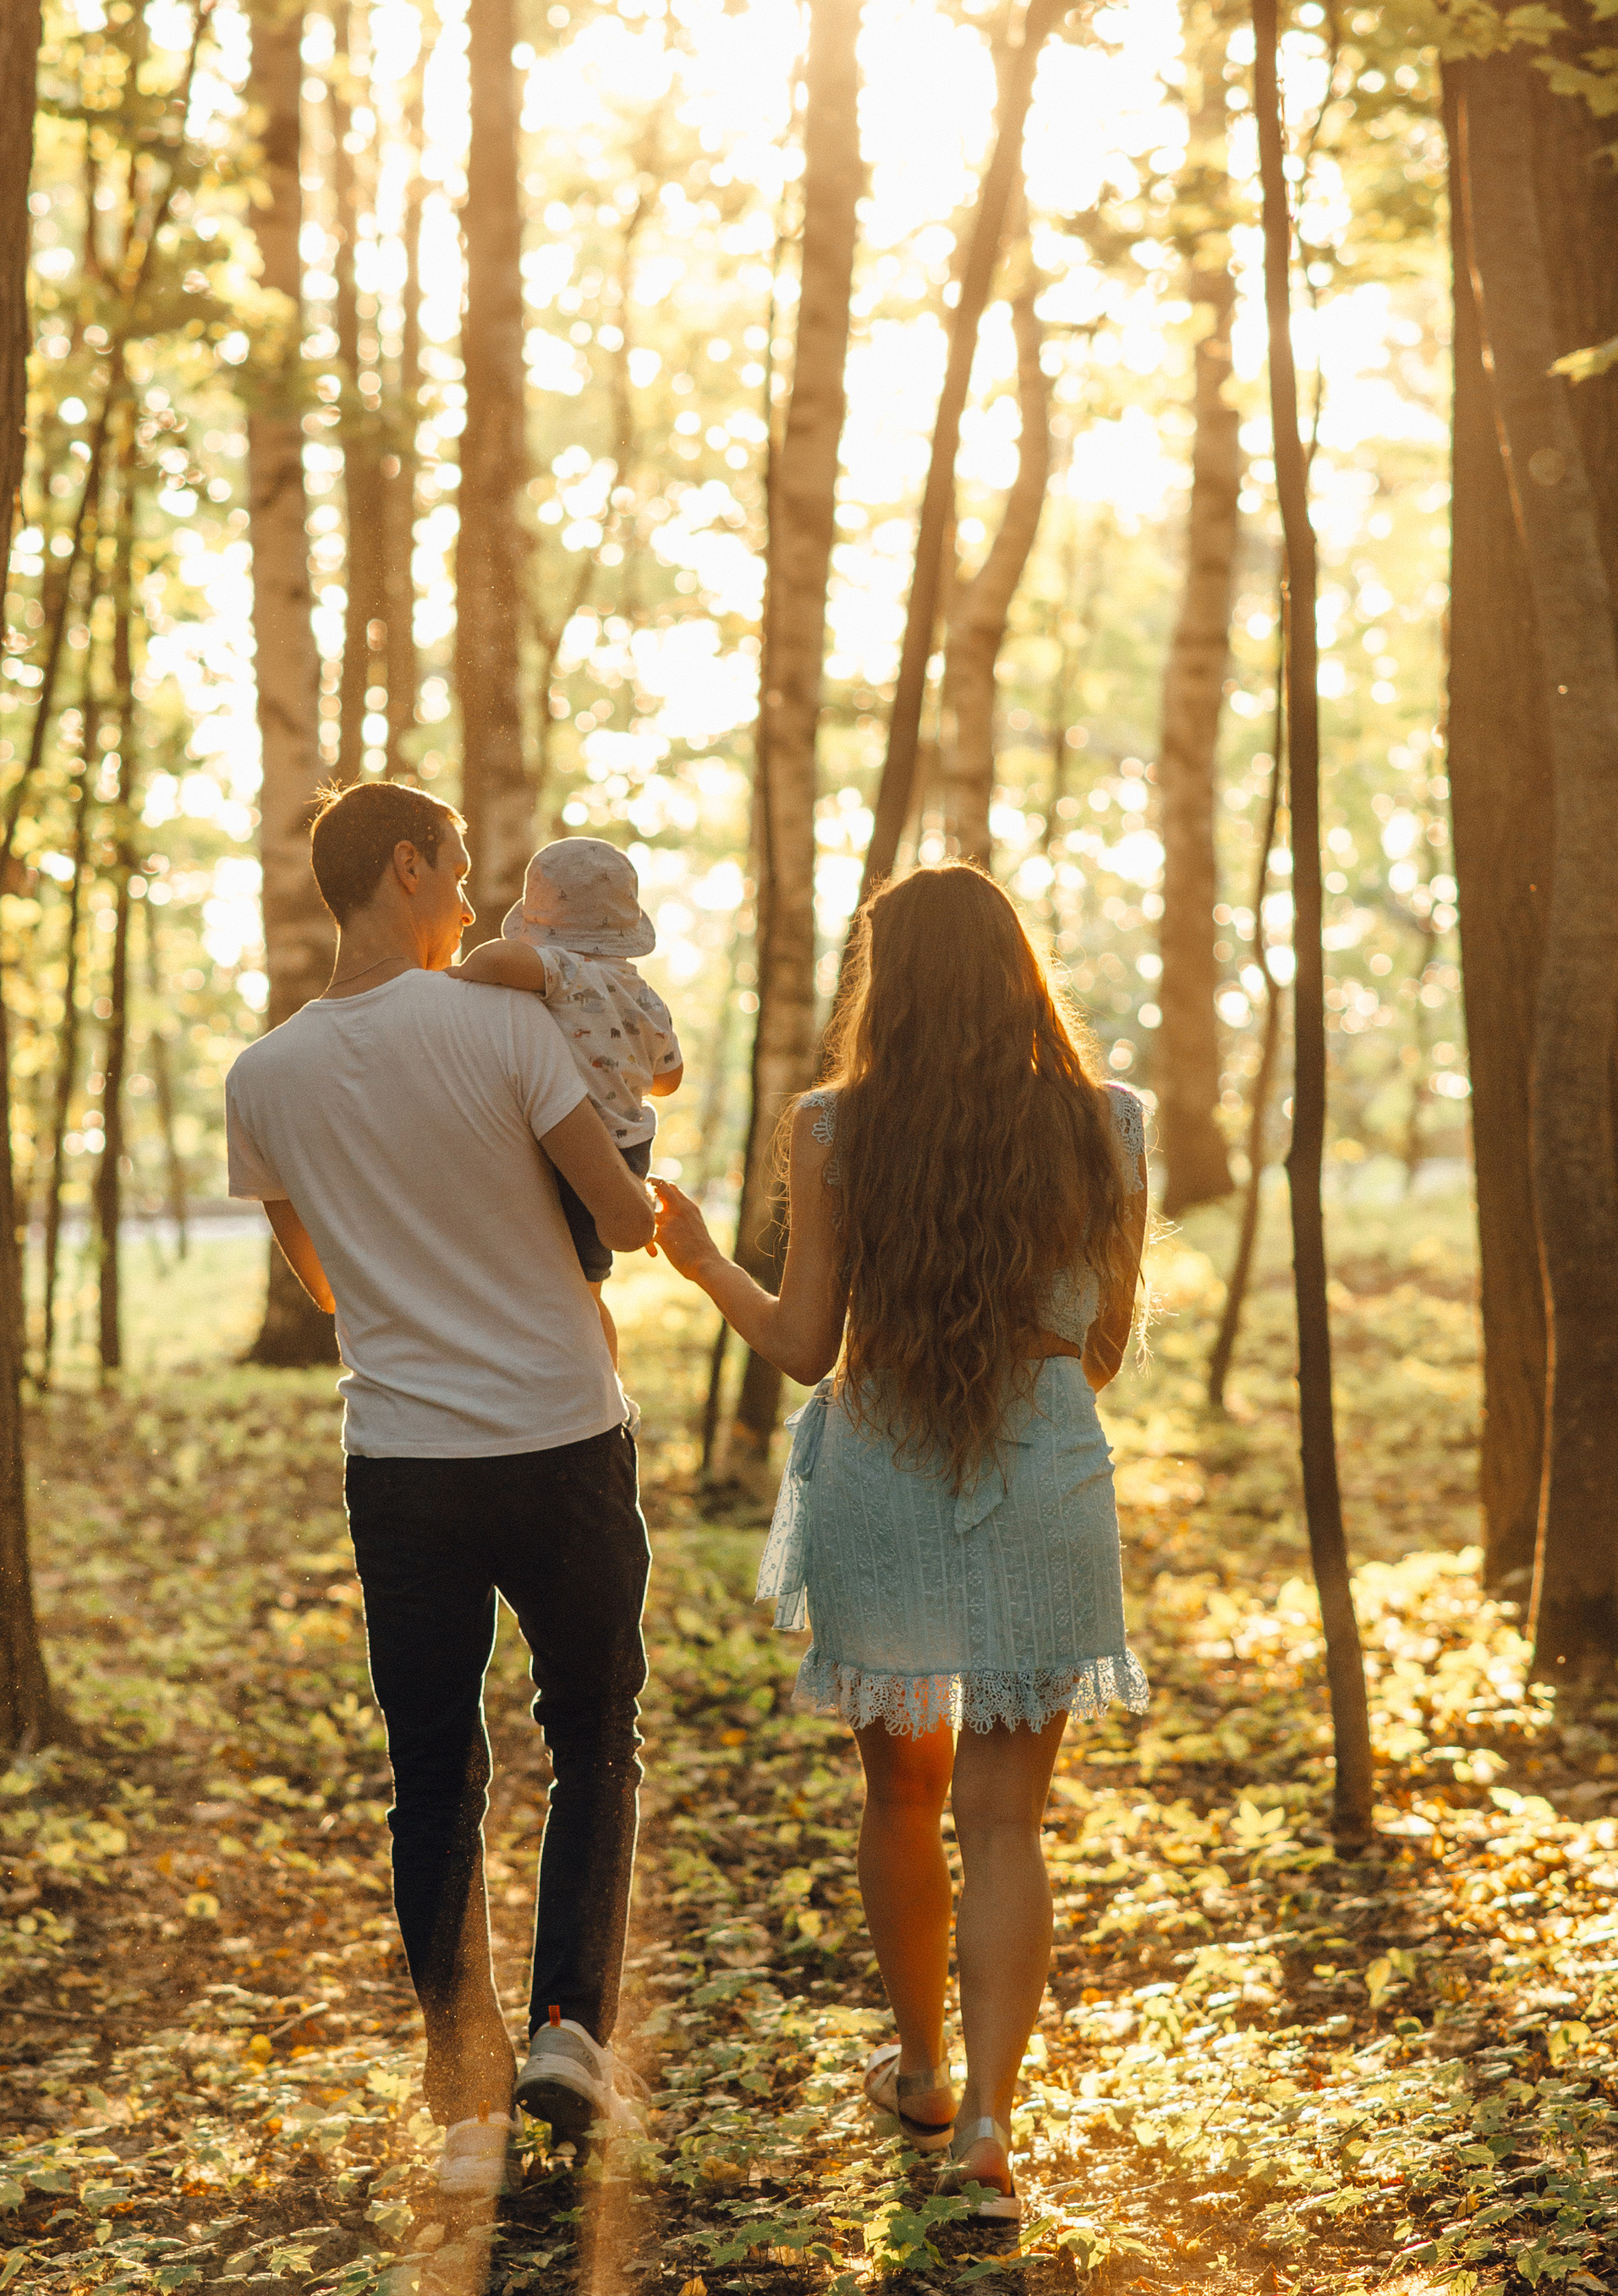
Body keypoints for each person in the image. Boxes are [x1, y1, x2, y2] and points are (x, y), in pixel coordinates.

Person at [650, 863, 1148, 2221]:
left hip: (879, 1468)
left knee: (903, 1799)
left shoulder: (831, 1127)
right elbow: (1099, 1349)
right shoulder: (1110, 1122)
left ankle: (922, 2070)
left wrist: (700, 1256)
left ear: (892, 980)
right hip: (1042, 1470)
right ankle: (991, 2114)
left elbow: (808, 1345)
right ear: (1019, 965)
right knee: (1004, 1818)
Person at [222, 781, 661, 2195]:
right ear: (405, 866)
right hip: (556, 1432)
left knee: (434, 1775)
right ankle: (565, 2033)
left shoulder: (264, 1075)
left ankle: (466, 2104)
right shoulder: (507, 1023)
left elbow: (324, 1280)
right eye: (462, 870)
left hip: (402, 1459)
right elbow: (623, 1211)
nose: (473, 900)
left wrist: (419, 1303)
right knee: (591, 1732)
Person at [447, 836, 684, 1370]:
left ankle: (583, 1382)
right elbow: (669, 1078)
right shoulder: (645, 995)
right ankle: (610, 1390)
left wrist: (459, 975)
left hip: (572, 1145)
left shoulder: (562, 970)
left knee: (554, 1284)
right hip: (629, 1151)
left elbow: (497, 958)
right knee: (589, 1292)